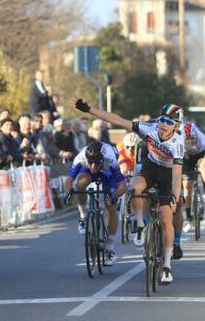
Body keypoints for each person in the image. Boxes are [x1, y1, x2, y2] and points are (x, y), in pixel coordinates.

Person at [72, 97, 184, 285]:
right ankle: (140, 226)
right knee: (135, 186)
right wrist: (89, 110)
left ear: (176, 125)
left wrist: (174, 196)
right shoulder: (149, 128)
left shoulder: (178, 142)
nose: (164, 125)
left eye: (169, 122)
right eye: (162, 120)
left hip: (168, 173)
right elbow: (117, 119)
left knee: (166, 216)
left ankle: (166, 266)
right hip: (150, 167)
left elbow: (177, 176)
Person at [64, 142, 126, 266]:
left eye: (96, 163)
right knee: (80, 184)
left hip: (107, 173)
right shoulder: (80, 158)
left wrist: (114, 197)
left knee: (111, 208)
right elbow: (69, 180)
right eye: (90, 162)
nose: (93, 166)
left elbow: (123, 186)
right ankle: (83, 217)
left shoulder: (111, 159)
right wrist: (68, 194)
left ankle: (110, 247)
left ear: (102, 160)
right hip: (86, 172)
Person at [181, 121, 205, 235]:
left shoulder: (202, 139)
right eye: (187, 139)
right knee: (187, 186)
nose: (190, 141)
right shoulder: (179, 139)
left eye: (192, 138)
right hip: (187, 157)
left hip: (201, 154)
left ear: (196, 135)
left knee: (203, 165)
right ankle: (188, 217)